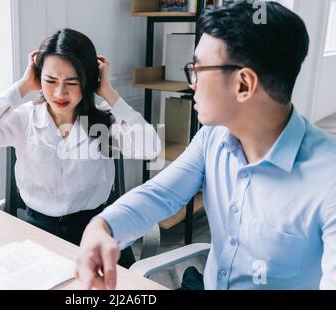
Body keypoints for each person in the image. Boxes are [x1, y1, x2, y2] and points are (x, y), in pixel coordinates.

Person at [75, 1, 336, 290]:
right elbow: (160, 195)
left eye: (197, 69)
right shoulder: (212, 136)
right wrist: (103, 227)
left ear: (243, 85)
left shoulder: (328, 178)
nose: (192, 83)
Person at [0, 28, 161, 268]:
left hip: (95, 231)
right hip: (37, 234)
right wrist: (22, 87)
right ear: (38, 76)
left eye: (71, 83)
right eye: (50, 80)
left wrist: (109, 93)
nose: (59, 93)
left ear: (87, 81)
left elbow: (151, 148)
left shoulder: (105, 123)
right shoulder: (24, 119)